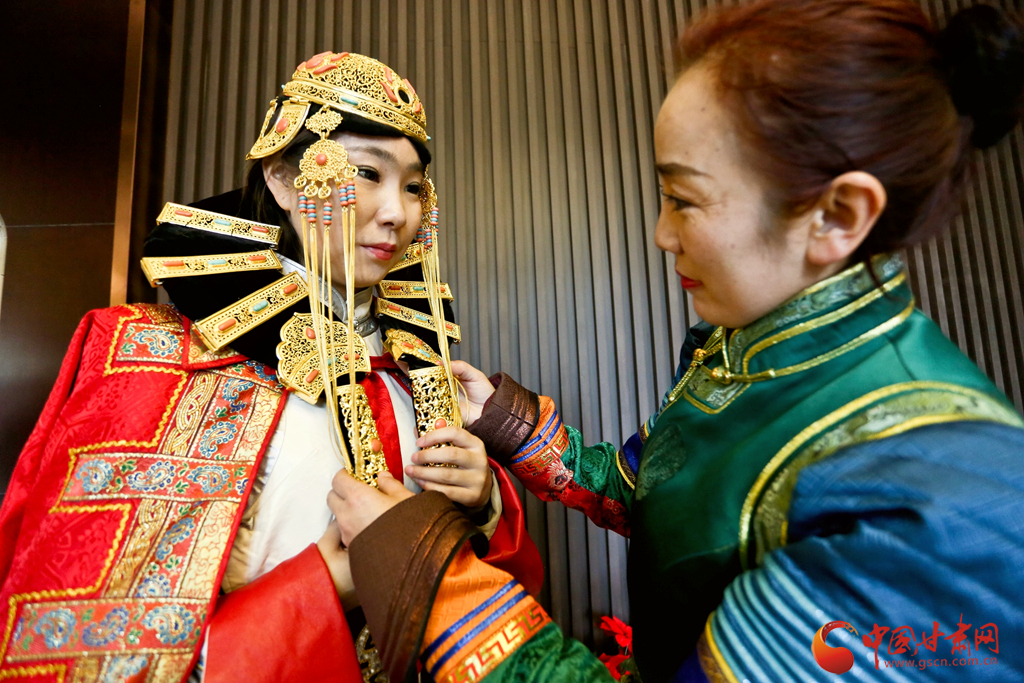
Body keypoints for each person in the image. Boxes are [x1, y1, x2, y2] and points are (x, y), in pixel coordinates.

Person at [325, 2, 1024, 682]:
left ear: (838, 215)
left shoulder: (935, 503)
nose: (662, 234)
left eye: (684, 199)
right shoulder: (740, 349)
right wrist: (506, 421)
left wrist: (421, 565)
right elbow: (651, 492)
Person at [0, 52, 540, 683]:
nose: (398, 213)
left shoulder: (415, 372)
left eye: (414, 186)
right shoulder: (149, 355)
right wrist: (327, 582)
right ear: (284, 180)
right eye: (367, 173)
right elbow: (83, 643)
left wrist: (482, 506)